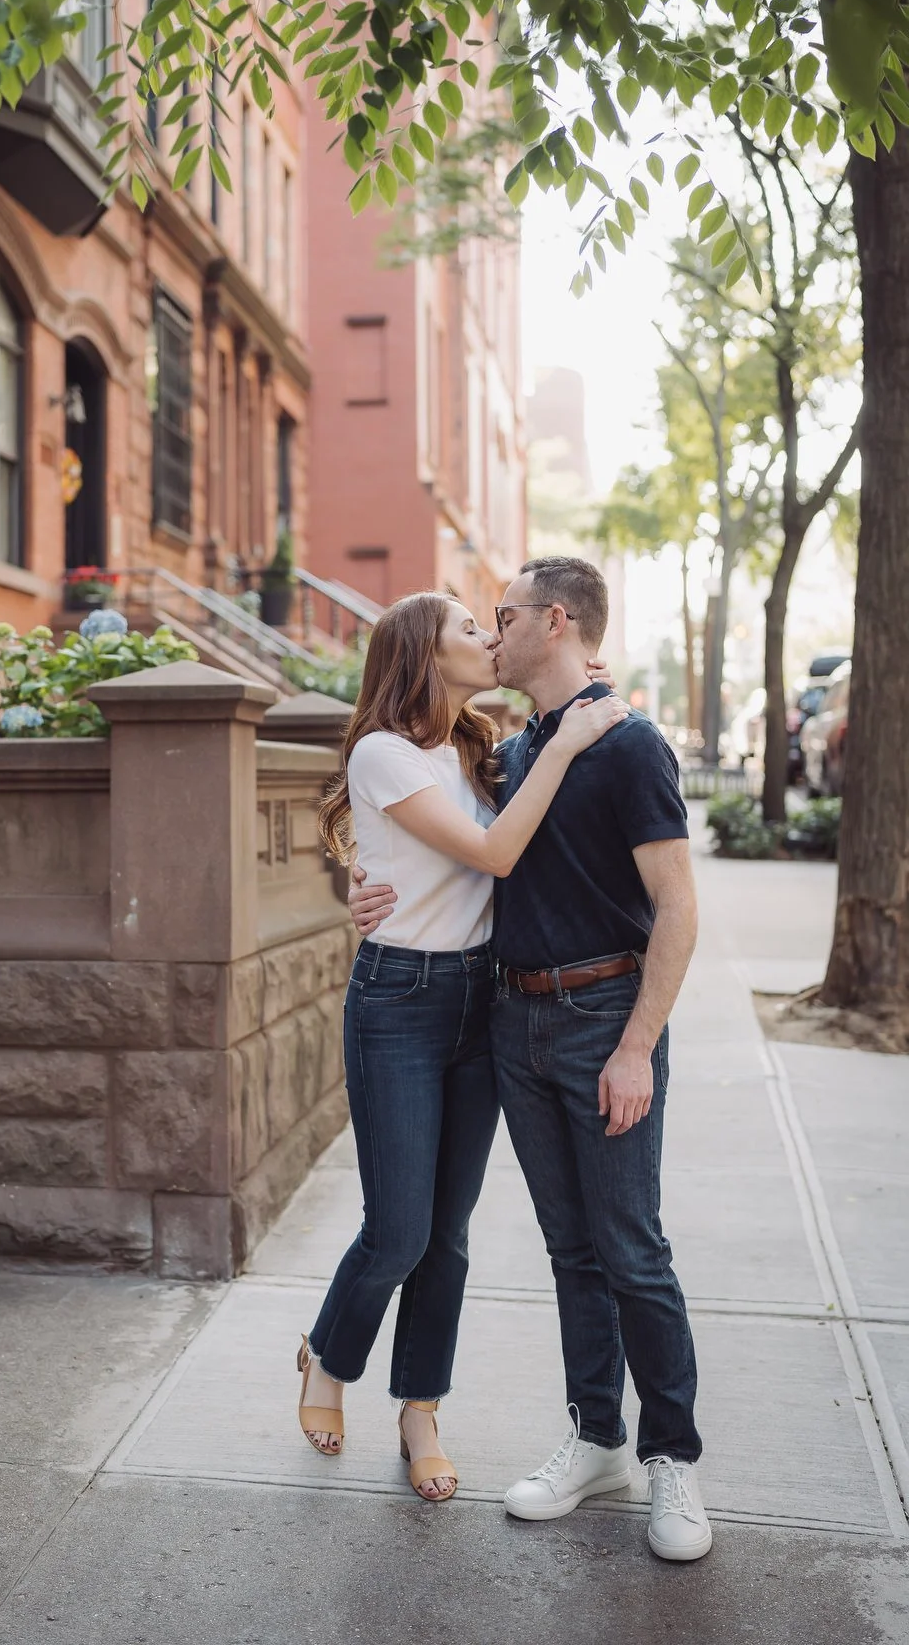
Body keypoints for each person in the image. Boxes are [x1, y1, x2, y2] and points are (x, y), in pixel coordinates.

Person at [349, 557, 710, 1561]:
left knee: (632, 1248)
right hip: (513, 1021)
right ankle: (598, 1437)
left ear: (555, 624)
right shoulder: (513, 749)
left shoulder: (628, 744)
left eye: (500, 617)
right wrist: (360, 885)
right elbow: (412, 828)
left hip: (604, 1020)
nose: (490, 633)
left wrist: (638, 1044)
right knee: (571, 1250)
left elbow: (679, 908)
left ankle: (670, 1458)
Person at [300, 589, 627, 1502]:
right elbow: (493, 858)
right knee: (397, 1229)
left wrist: (579, 700)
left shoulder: (478, 749)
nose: (489, 640)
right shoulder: (382, 751)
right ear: (421, 653)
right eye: (469, 631)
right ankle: (328, 1354)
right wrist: (564, 742)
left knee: (448, 1237)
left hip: (482, 998)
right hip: (399, 1002)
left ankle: (419, 1413)